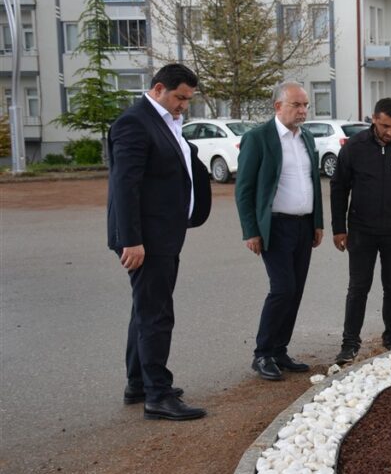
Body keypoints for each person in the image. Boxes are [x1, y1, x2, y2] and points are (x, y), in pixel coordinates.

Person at [107, 63, 211, 421]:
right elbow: (125, 185)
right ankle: (158, 395)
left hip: (163, 233)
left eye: (188, 99)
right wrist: (131, 240)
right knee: (156, 314)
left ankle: (139, 383)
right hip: (146, 240)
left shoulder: (166, 121)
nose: (184, 105)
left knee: (145, 310)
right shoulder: (134, 123)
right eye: (180, 97)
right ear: (158, 89)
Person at [235, 82, 324, 381]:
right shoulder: (258, 138)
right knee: (282, 288)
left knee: (295, 291)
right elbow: (244, 189)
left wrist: (317, 222)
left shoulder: (307, 137)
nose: (303, 111)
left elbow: (313, 183)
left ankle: (279, 350)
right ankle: (262, 354)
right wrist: (251, 231)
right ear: (277, 106)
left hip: (304, 225)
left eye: (305, 105)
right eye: (296, 105)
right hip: (274, 227)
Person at [330, 97, 391, 364]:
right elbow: (339, 188)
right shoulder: (354, 147)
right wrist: (339, 228)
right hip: (361, 230)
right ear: (374, 119)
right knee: (358, 288)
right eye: (386, 126)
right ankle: (350, 344)